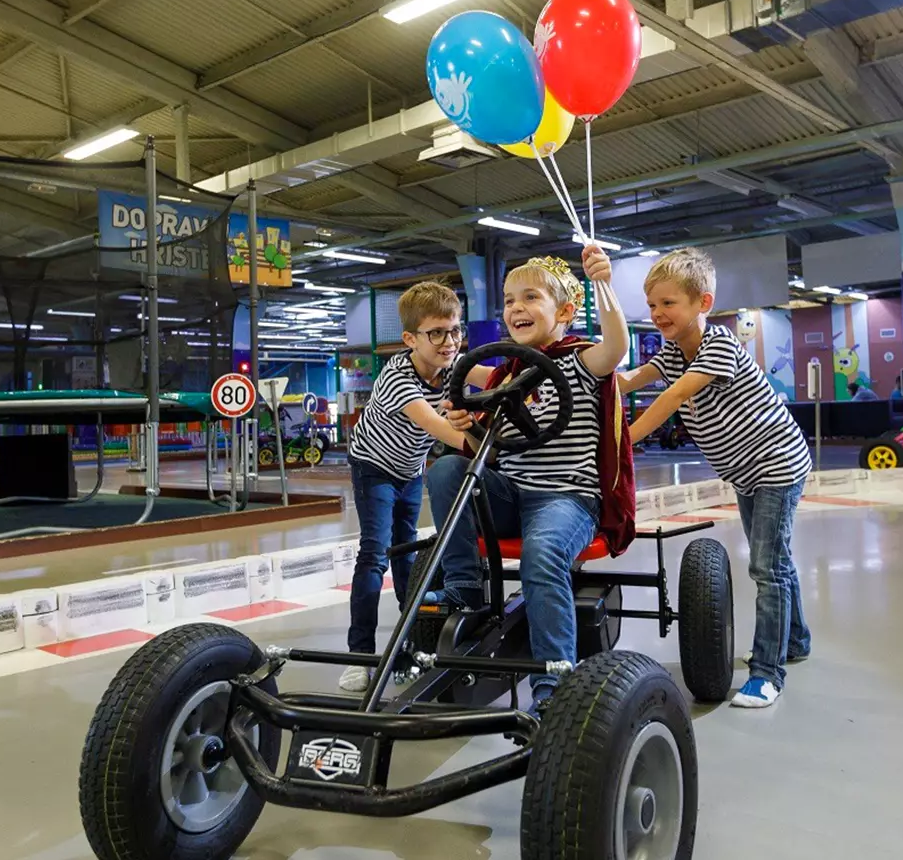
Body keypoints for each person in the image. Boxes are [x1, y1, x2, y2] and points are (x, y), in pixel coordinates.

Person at [424, 251, 633, 716]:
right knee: (444, 470)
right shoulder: (506, 376)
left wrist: (602, 283)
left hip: (567, 498)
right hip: (511, 492)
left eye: (530, 297)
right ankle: (464, 588)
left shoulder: (581, 362)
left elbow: (616, 346)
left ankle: (553, 683)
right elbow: (491, 451)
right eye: (508, 299)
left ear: (564, 312)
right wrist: (467, 424)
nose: (515, 307)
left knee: (543, 553)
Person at [617, 248, 812, 709]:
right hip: (745, 471)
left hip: (776, 464)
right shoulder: (671, 351)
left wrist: (620, 442)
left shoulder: (719, 344)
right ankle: (796, 639)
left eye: (669, 304)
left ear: (702, 304)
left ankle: (768, 672)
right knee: (776, 561)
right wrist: (587, 374)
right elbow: (628, 381)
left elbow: (670, 399)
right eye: (652, 305)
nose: (658, 314)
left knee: (767, 566)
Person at [339, 282, 492, 692]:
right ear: (410, 339)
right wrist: (490, 435)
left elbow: (500, 375)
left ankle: (406, 647)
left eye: (456, 330)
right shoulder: (398, 379)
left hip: (409, 470)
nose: (449, 342)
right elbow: (446, 432)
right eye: (436, 333)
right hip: (373, 467)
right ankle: (360, 655)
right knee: (375, 554)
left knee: (406, 556)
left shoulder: (453, 361)